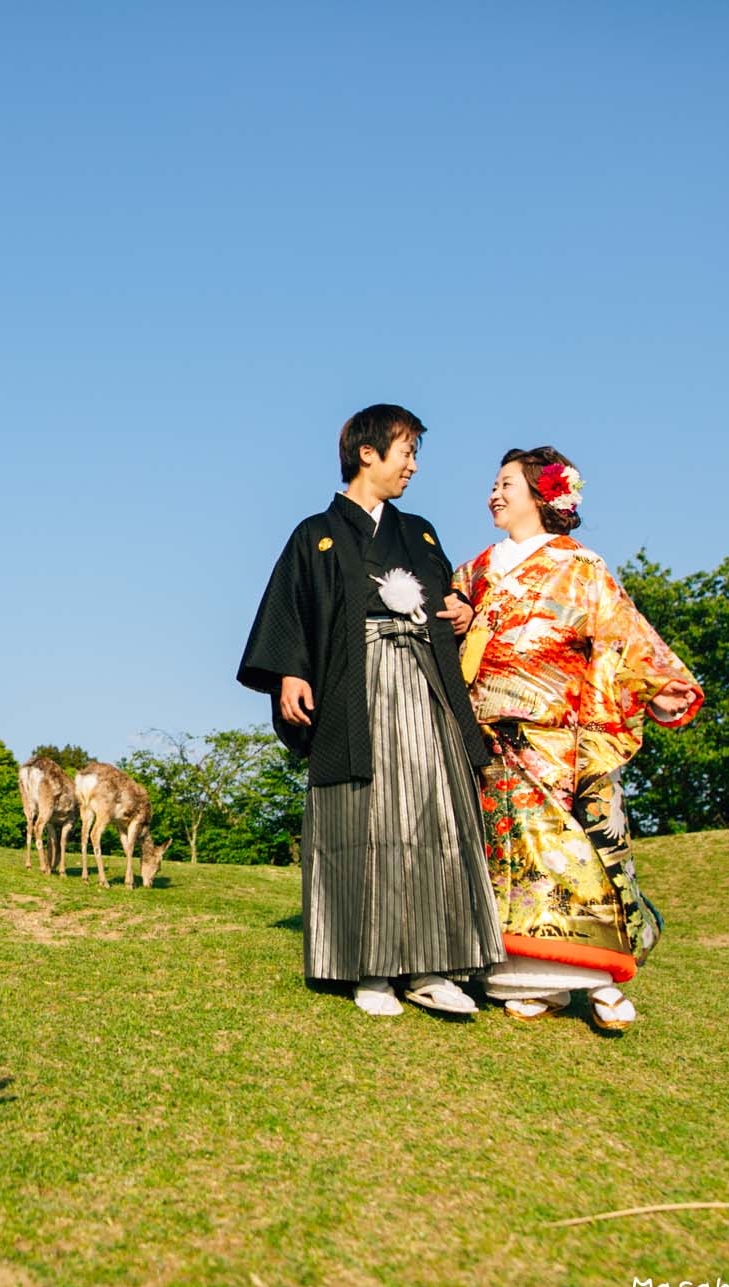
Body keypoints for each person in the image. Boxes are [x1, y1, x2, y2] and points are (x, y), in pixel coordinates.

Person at [238, 405, 504, 1017]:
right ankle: (372, 971)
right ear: (367, 453)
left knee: (435, 815)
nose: (413, 464)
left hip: (425, 683)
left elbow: (448, 599)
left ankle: (434, 966)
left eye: (414, 453)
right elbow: (292, 609)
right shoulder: (316, 533)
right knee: (366, 819)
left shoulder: (422, 531)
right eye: (405, 450)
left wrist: (461, 610)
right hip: (356, 689)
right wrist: (289, 672)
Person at [447, 447, 701, 1030]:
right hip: (486, 734)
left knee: (576, 856)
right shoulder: (474, 569)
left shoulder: (581, 565)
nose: (494, 493)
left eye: (506, 483)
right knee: (510, 865)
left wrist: (659, 683)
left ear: (542, 494)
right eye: (493, 483)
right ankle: (533, 980)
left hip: (555, 733)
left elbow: (620, 631)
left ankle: (603, 979)